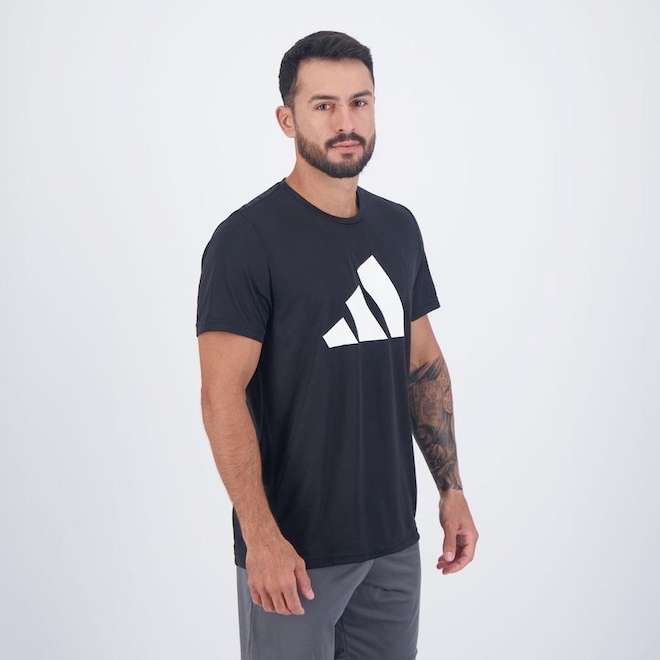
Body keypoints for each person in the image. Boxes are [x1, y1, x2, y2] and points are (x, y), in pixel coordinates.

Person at [196, 30, 478, 660]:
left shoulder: (398, 227)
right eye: (323, 105)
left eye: (359, 102)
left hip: (392, 544)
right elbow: (220, 395)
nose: (345, 122)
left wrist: (451, 489)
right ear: (286, 119)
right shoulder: (246, 240)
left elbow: (423, 364)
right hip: (294, 555)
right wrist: (260, 537)